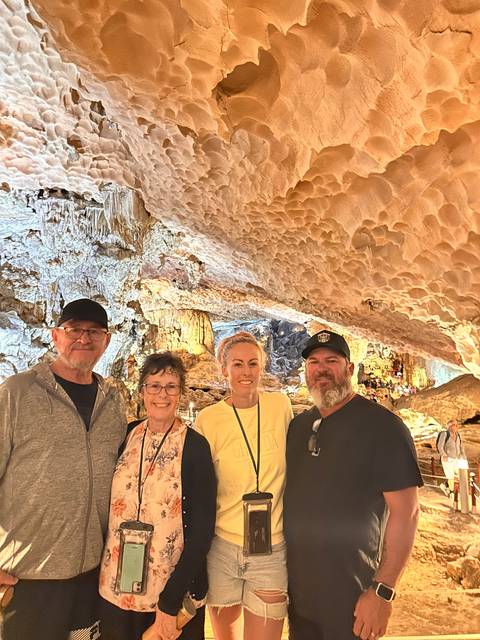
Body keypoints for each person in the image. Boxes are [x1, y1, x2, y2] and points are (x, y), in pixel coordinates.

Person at [0, 298, 127, 640]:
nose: (83, 339)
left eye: (93, 331)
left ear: (107, 340)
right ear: (56, 336)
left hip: (91, 573)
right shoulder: (18, 392)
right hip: (29, 572)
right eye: (73, 329)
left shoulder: (114, 402)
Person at [284, 330, 423, 640]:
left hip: (353, 597)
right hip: (300, 600)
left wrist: (383, 591)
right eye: (314, 362)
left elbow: (407, 514)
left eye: (332, 361)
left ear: (349, 369)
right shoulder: (299, 426)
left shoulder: (384, 428)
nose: (321, 369)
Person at [100, 352, 216, 640]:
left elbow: (202, 531)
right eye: (154, 385)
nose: (161, 394)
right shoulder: (126, 436)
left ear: (180, 393)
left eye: (170, 386)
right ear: (142, 391)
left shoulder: (195, 447)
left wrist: (170, 600)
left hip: (168, 592)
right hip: (115, 586)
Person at [195, 331, 293, 640]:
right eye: (237, 364)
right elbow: (200, 485)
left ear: (262, 367)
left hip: (271, 547)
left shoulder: (281, 407)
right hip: (222, 548)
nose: (246, 372)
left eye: (253, 363)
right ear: (224, 370)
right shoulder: (208, 419)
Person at [438, 419, 467, 495]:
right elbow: (440, 446)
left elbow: (461, 446)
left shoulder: (458, 435)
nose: (456, 427)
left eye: (456, 425)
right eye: (454, 425)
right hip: (447, 459)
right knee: (450, 476)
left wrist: (463, 457)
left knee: (457, 475)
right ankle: (452, 493)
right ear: (449, 426)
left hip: (456, 459)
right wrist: (444, 455)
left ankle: (445, 485)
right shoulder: (444, 434)